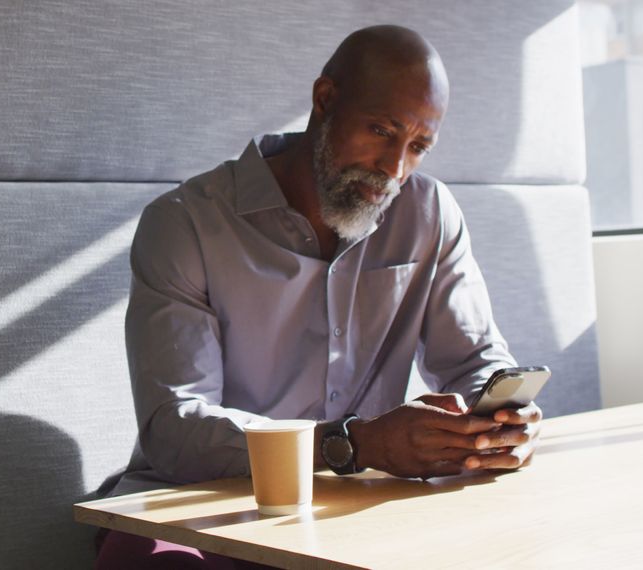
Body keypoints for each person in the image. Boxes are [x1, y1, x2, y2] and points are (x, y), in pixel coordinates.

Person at [95, 25, 542, 569]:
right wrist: (356, 444)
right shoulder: (185, 223)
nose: (395, 168)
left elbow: (475, 361)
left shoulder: (429, 213)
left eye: (418, 146)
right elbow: (176, 428)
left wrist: (497, 422)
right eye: (381, 130)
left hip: (353, 508)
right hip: (204, 503)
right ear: (324, 100)